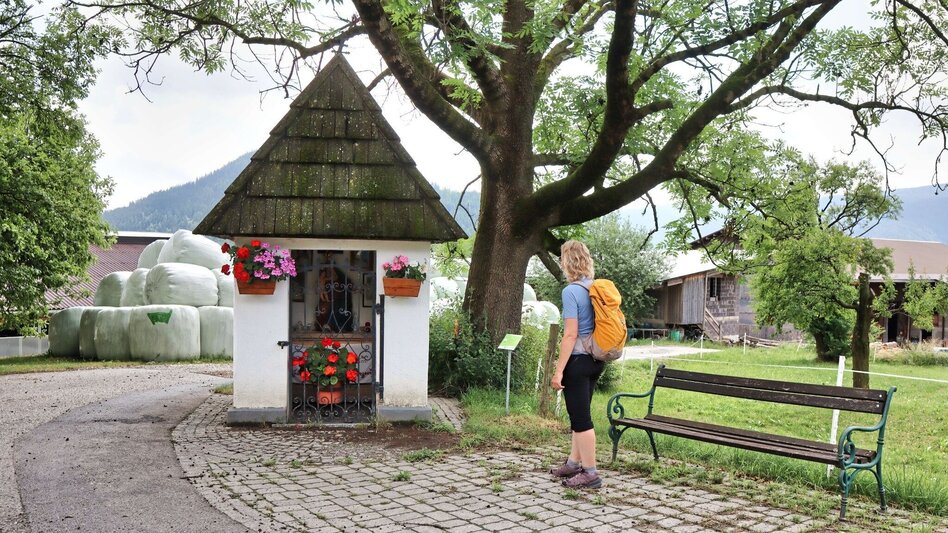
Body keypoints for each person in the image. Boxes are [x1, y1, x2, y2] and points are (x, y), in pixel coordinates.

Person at [550, 239, 604, 489]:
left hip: (578, 361)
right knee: (578, 414)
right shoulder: (595, 288)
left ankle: (590, 473)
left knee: (581, 420)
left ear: (566, 262)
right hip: (596, 360)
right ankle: (573, 463)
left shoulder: (571, 291)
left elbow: (570, 334)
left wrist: (558, 370)